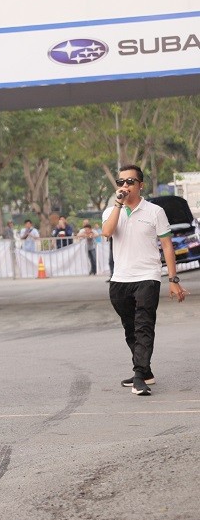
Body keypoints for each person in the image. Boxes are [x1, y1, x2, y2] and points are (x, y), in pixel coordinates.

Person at [101, 164, 186, 396]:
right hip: (120, 279)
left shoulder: (154, 212)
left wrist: (173, 278)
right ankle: (145, 370)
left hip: (147, 277)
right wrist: (118, 204)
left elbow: (167, 246)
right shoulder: (110, 212)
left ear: (140, 185)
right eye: (121, 182)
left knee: (144, 326)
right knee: (131, 328)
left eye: (130, 182)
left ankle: (139, 376)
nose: (125, 186)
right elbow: (107, 233)